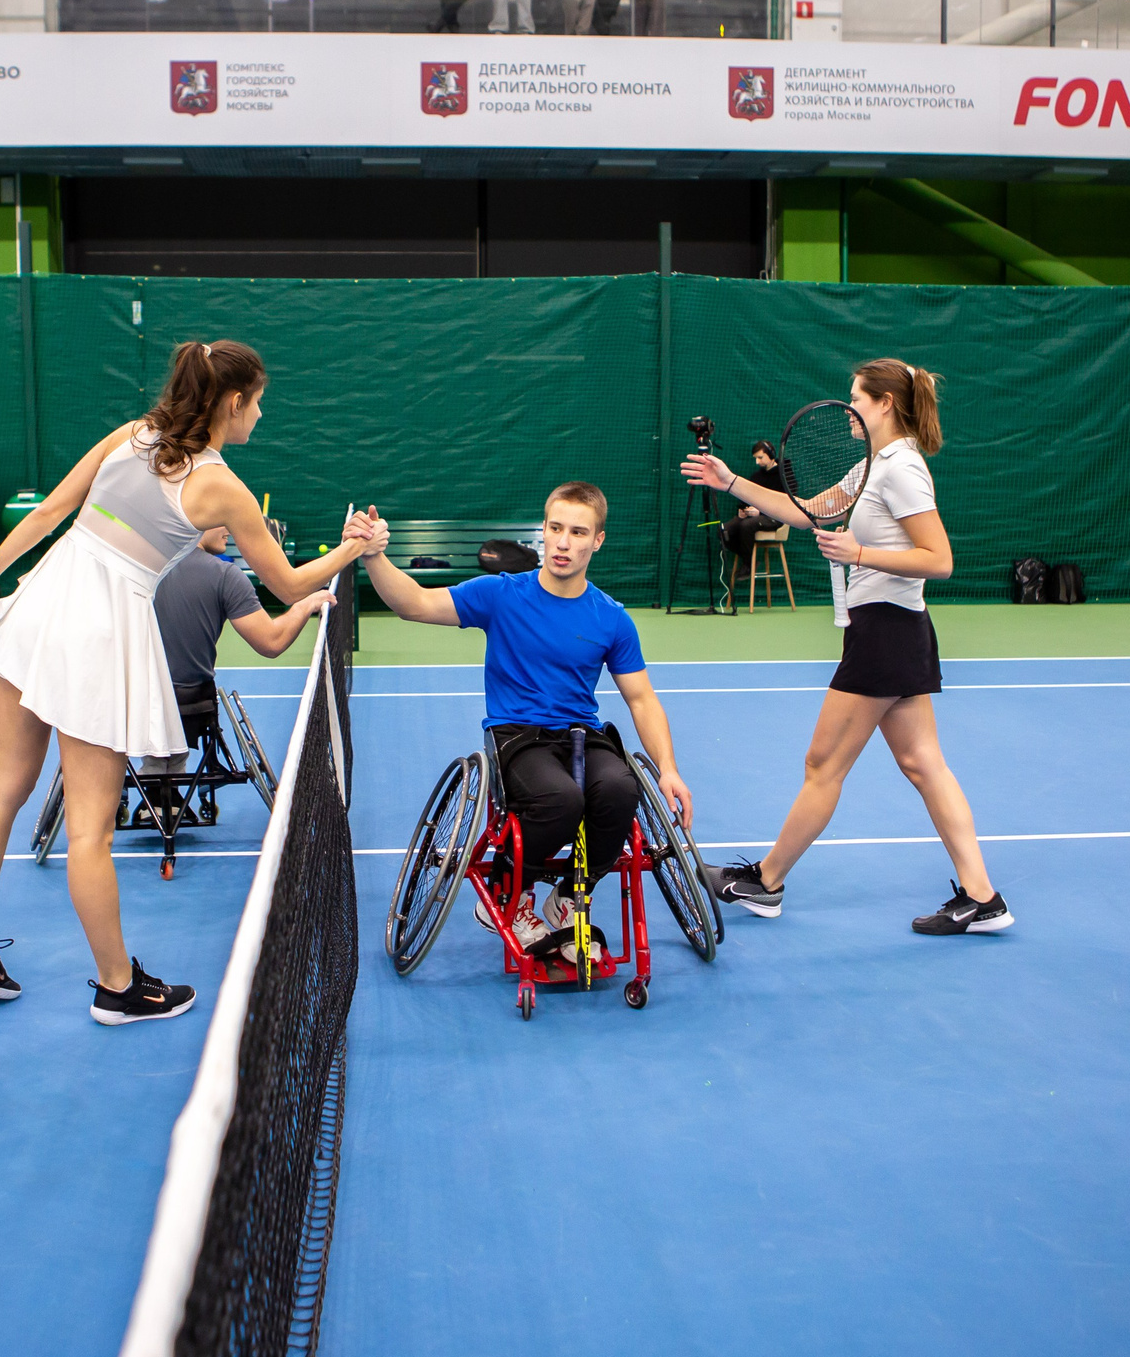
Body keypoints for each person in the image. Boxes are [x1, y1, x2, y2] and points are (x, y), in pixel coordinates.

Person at [0, 341, 374, 1024]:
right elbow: (289, 583)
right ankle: (118, 987)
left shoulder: (133, 432)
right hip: (100, 631)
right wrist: (355, 548)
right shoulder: (222, 485)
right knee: (89, 829)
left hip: (43, 600)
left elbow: (51, 510)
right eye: (258, 401)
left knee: (5, 786)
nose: (260, 414)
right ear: (232, 402)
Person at [681, 360, 1010, 935]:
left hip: (886, 631)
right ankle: (983, 899)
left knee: (823, 763)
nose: (849, 408)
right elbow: (806, 511)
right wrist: (730, 480)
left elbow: (940, 560)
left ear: (883, 403)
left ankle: (766, 882)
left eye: (856, 398)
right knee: (923, 763)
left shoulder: (901, 468)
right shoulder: (871, 468)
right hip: (893, 630)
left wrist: (859, 555)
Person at [345, 485, 693, 960]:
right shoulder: (500, 595)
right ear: (543, 531)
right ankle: (509, 895)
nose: (565, 543)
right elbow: (414, 604)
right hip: (516, 738)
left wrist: (668, 768)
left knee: (620, 790)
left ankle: (570, 895)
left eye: (578, 532)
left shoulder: (611, 618)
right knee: (561, 799)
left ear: (598, 541)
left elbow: (642, 699)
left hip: (579, 736)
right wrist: (373, 557)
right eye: (556, 529)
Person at [143, 527, 333, 776]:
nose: (229, 529)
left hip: (131, 706)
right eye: (221, 520)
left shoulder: (134, 567)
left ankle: (155, 799)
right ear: (199, 520)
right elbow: (272, 642)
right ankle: (166, 800)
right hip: (193, 705)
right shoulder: (225, 575)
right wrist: (304, 605)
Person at [719, 438, 787, 579]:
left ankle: (748, 565)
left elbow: (787, 503)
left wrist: (760, 512)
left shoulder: (784, 476)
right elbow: (746, 497)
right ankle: (750, 560)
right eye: (755, 458)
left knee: (746, 526)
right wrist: (743, 510)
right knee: (723, 531)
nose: (757, 462)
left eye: (760, 457)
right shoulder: (756, 477)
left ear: (771, 454)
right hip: (753, 517)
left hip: (776, 518)